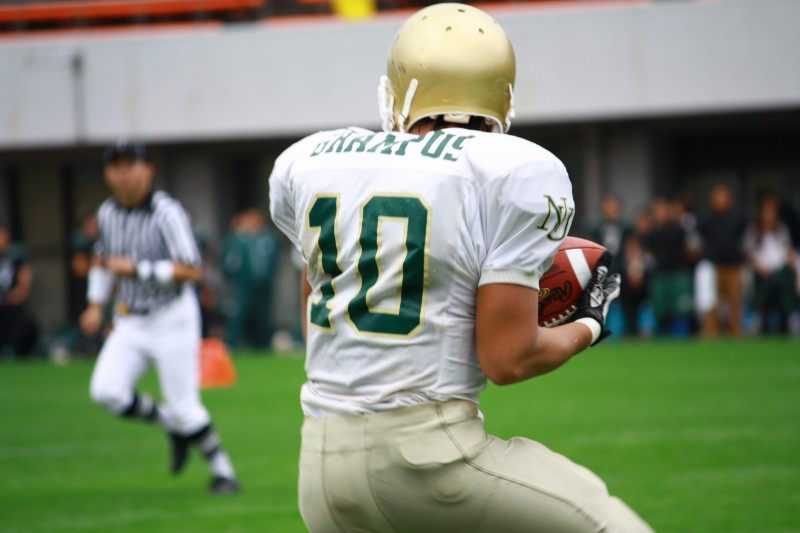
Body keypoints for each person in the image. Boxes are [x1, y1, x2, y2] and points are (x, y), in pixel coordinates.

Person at [268, 4, 653, 532]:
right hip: (429, 463)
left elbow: (317, 303)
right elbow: (507, 359)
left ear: (399, 91)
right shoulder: (511, 171)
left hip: (321, 469)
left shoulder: (313, 159)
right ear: (501, 96)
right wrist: (589, 322)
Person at [79, 139, 240, 494]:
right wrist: (95, 304)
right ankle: (171, 425)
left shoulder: (167, 212)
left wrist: (139, 269)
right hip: (130, 317)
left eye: (130, 165)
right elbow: (102, 259)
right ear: (107, 173)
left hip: (172, 315)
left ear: (148, 170)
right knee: (106, 391)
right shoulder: (107, 213)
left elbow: (192, 269)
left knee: (185, 405)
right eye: (116, 166)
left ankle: (224, 472)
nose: (123, 174)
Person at [219, 208, 280, 349]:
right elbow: (227, 262)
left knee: (262, 315)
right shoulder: (237, 240)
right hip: (242, 284)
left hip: (262, 284)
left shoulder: (267, 238)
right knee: (239, 313)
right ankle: (233, 342)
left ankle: (262, 344)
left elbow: (273, 258)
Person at [695, 183, 747, 337]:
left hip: (733, 265)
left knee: (735, 300)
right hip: (713, 265)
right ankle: (711, 330)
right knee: (711, 301)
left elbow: (744, 239)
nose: (721, 200)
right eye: (718, 197)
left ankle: (736, 330)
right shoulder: (706, 218)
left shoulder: (738, 217)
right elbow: (698, 240)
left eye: (724, 197)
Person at [743, 193, 797, 334]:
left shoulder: (781, 228)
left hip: (780, 271)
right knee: (761, 300)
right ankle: (759, 324)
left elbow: (788, 249)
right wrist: (760, 267)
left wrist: (789, 260)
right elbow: (749, 253)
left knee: (785, 297)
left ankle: (788, 323)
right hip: (762, 272)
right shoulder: (754, 229)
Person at [0, 222, 37, 358]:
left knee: (18, 327)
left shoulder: (15, 253)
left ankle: (16, 351)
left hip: (11, 301)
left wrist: (21, 290)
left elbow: (25, 273)